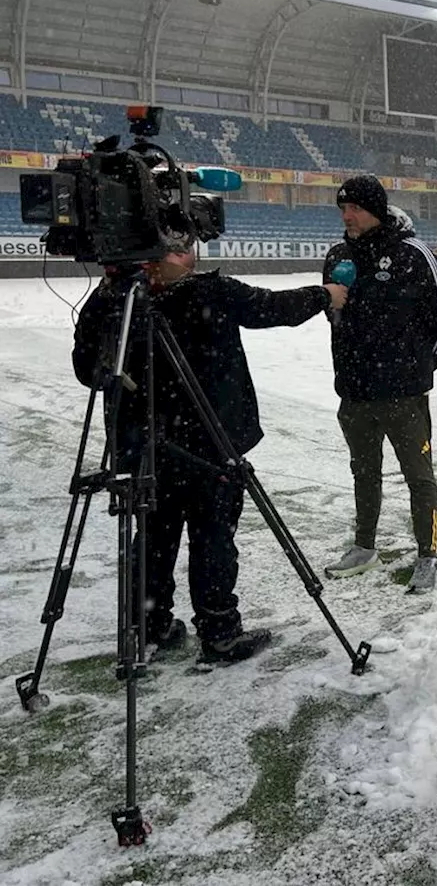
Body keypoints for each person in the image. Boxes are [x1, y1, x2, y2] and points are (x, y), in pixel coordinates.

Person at [72, 240, 347, 664]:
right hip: (200, 448)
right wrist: (325, 294)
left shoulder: (118, 300)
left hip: (152, 448)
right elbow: (273, 308)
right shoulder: (167, 297)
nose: (187, 257)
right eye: (178, 249)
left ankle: (151, 625)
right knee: (207, 538)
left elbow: (89, 372)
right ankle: (214, 632)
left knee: (157, 538)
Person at [322, 175, 437, 592]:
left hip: (403, 395)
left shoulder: (415, 255)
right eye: (343, 208)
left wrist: (415, 371)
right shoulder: (337, 255)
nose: (347, 216)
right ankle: (364, 547)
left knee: (419, 476)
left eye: (356, 208)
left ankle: (427, 555)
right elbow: (335, 318)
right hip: (355, 393)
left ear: (376, 210)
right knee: (364, 473)